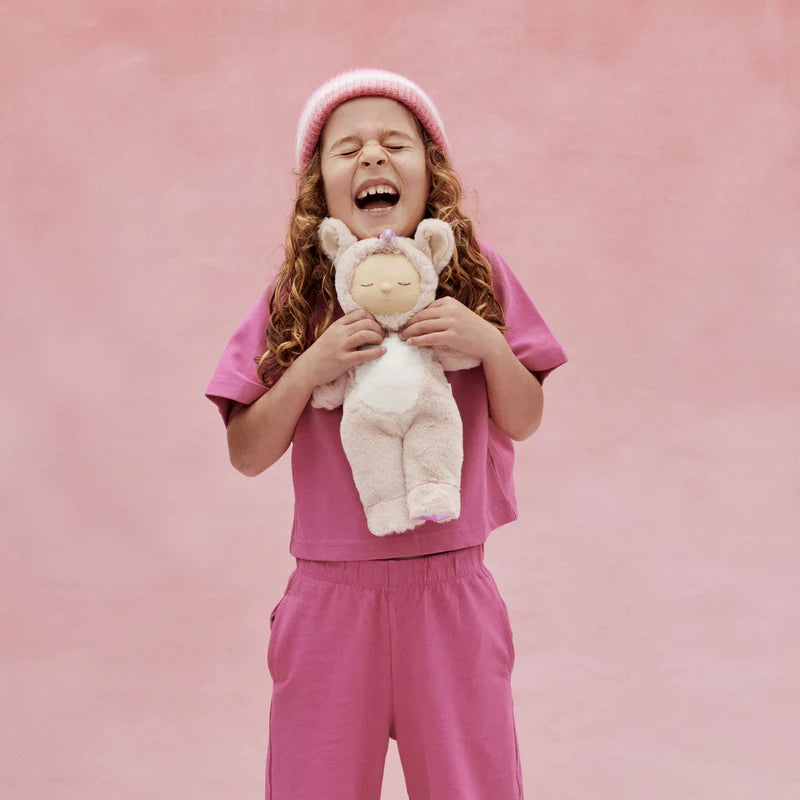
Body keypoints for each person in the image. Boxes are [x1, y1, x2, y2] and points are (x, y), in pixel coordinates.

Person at [205, 68, 568, 800]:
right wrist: (310, 367)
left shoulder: (478, 279)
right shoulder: (296, 297)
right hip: (330, 600)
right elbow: (247, 453)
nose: (372, 156)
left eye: (394, 142)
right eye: (349, 149)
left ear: (429, 174)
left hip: (452, 593)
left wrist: (487, 342)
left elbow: (524, 417)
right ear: (321, 190)